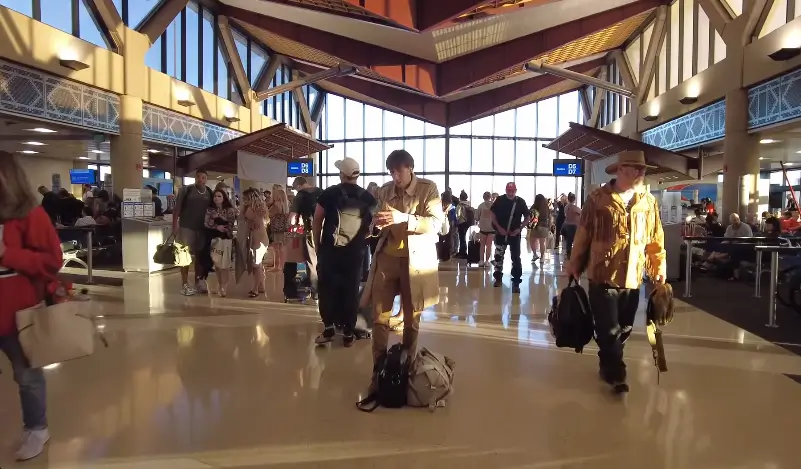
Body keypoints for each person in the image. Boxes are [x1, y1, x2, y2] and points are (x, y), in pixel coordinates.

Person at [566, 150, 666, 394]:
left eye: (642, 169)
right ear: (621, 170)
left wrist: (658, 269)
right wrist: (574, 266)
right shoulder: (598, 199)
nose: (641, 173)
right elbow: (583, 235)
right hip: (603, 275)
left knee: (624, 327)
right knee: (608, 327)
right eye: (635, 168)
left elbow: (655, 239)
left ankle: (607, 360)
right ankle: (616, 373)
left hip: (633, 277)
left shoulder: (648, 202)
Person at [0, 152, 63, 461]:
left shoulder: (30, 215)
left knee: (26, 374)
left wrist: (7, 255)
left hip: (17, 315)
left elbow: (52, 261)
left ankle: (37, 428)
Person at [361, 149, 442, 391]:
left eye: (399, 171)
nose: (395, 176)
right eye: (391, 172)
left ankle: (406, 368)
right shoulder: (385, 190)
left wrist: (403, 218)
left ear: (410, 168)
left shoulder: (428, 189)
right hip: (387, 259)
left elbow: (436, 224)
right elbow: (377, 224)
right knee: (379, 316)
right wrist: (375, 225)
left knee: (411, 317)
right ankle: (378, 370)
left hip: (415, 262)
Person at [313, 157, 376, 346]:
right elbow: (371, 227)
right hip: (355, 252)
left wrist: (317, 244)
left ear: (342, 174)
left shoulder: (329, 193)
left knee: (327, 288)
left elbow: (317, 220)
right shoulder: (367, 197)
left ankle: (329, 328)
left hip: (330, 251)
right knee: (350, 290)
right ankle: (348, 332)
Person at [173, 170, 213, 296]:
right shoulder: (186, 190)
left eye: (203, 177)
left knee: (200, 256)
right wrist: (175, 224)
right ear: (195, 178)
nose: (200, 179)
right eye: (198, 177)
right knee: (184, 255)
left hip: (202, 228)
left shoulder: (209, 192)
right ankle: (184, 283)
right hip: (186, 227)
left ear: (206, 179)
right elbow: (177, 208)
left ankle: (198, 281)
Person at [284, 176, 323, 301]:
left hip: (311, 229)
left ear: (299, 185)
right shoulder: (321, 191)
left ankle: (316, 291)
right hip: (326, 229)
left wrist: (291, 225)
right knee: (323, 259)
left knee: (312, 261)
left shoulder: (300, 196)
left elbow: (292, 217)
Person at [490, 182, 529, 293]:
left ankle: (516, 282)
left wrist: (520, 228)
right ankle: (498, 278)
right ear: (506, 190)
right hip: (500, 234)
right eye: (509, 191)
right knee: (498, 257)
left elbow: (527, 217)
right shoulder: (499, 200)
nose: (511, 193)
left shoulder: (520, 202)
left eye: (513, 191)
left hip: (514, 235)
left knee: (516, 258)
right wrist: (498, 227)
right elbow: (492, 214)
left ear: (515, 191)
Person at [205, 189, 237, 297]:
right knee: (217, 263)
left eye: (219, 196)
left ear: (224, 198)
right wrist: (215, 225)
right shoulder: (210, 209)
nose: (217, 198)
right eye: (215, 196)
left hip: (226, 239)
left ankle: (224, 286)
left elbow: (231, 224)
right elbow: (206, 223)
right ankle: (220, 285)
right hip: (214, 238)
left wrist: (219, 217)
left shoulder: (230, 210)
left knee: (225, 264)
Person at [242, 188, 270, 298]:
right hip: (263, 237)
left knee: (256, 265)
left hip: (257, 239)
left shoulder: (250, 209)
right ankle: (261, 286)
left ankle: (255, 289)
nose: (244, 200)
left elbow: (243, 218)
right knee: (258, 264)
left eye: (245, 198)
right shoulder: (262, 208)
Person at [268, 187, 290, 272]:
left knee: (276, 248)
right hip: (284, 228)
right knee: (282, 248)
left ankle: (277, 266)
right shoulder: (286, 204)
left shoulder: (276, 205)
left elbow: (268, 214)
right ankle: (282, 265)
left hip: (276, 228)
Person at [528, 194, 550, 265]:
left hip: (536, 226)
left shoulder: (534, 206)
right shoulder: (546, 207)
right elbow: (549, 216)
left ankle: (535, 254)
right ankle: (542, 257)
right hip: (544, 227)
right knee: (542, 243)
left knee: (532, 240)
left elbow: (530, 214)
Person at [476, 191, 495, 267]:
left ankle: (481, 261)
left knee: (482, 245)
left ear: (483, 197)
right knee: (489, 246)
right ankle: (487, 261)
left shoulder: (481, 206)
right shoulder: (494, 205)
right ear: (490, 197)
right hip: (492, 229)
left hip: (483, 228)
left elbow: (476, 217)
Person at [561, 193, 581, 259]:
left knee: (568, 241)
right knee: (575, 240)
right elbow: (581, 213)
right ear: (574, 199)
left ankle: (568, 253)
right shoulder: (575, 207)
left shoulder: (566, 207)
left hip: (566, 225)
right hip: (573, 226)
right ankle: (574, 254)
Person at [455, 190, 473, 258]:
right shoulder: (468, 204)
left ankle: (462, 253)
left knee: (462, 238)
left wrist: (457, 220)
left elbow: (458, 215)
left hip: (461, 222)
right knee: (464, 237)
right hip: (467, 223)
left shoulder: (460, 205)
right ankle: (463, 251)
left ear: (460, 197)